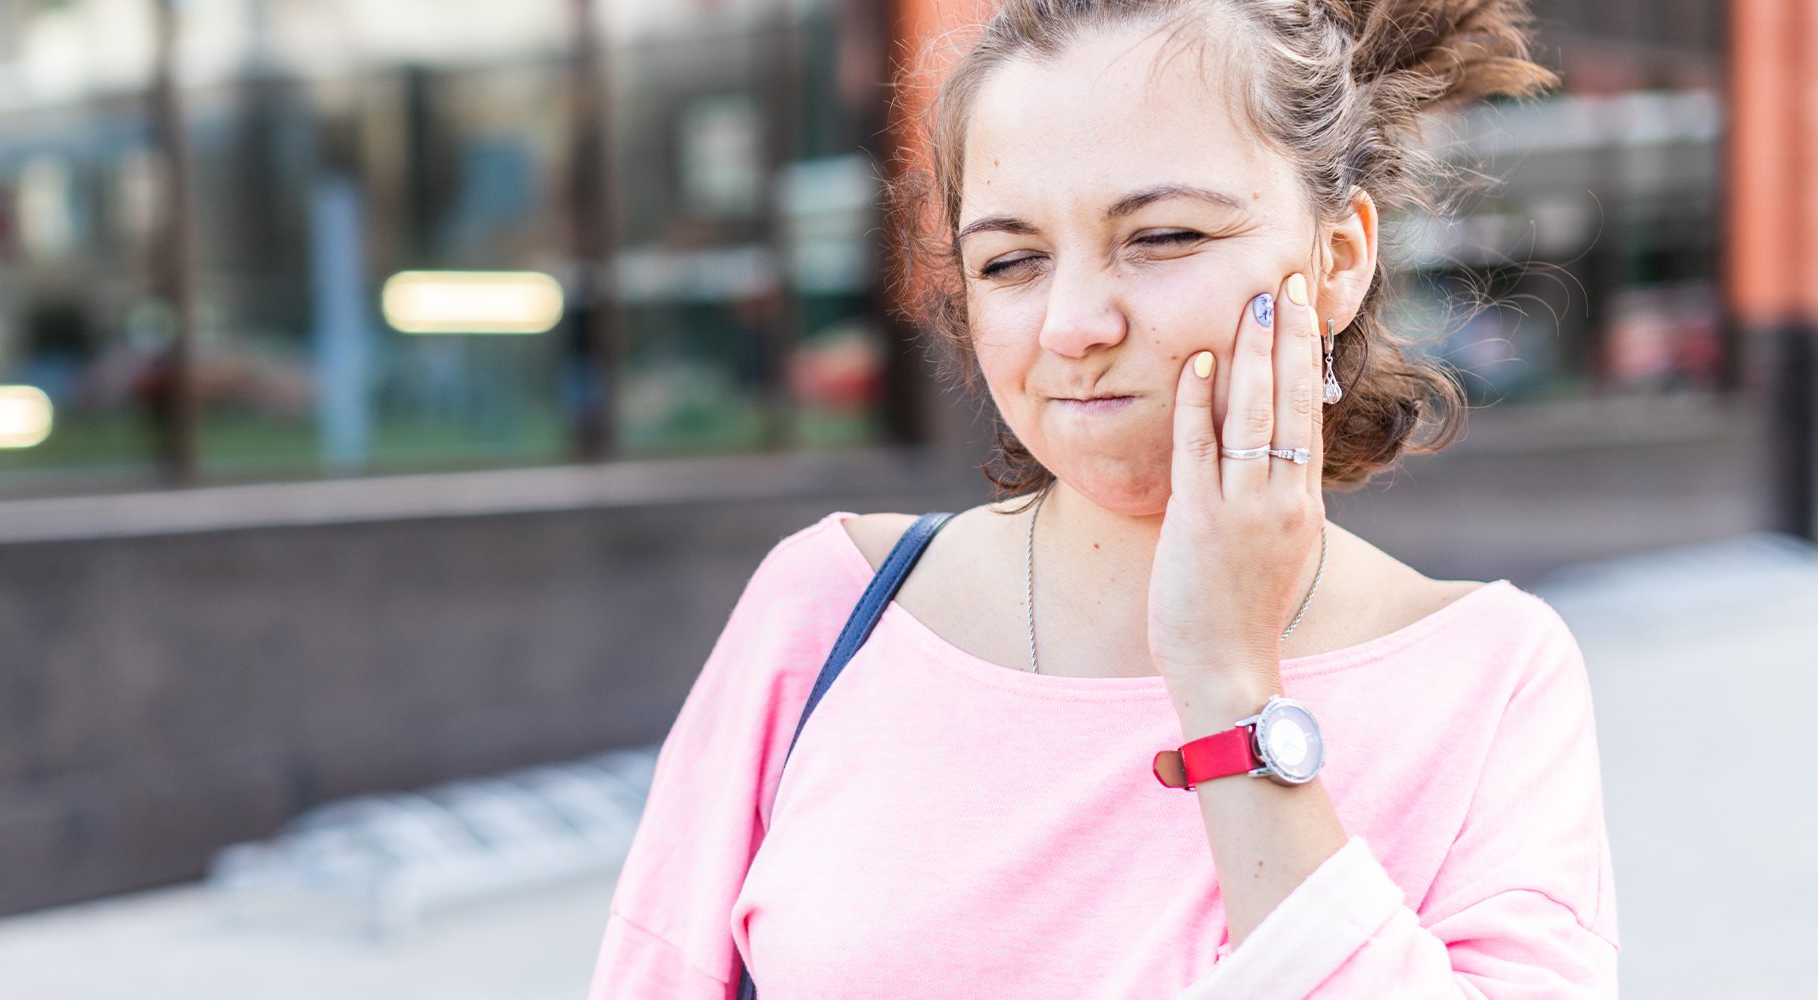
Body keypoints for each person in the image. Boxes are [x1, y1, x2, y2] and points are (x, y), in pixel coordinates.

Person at [588, 0, 1619, 996]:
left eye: (1162, 236)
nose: (1072, 322)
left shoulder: (1488, 678)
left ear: (1338, 255)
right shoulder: (828, 613)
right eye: (1011, 260)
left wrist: (1228, 687)